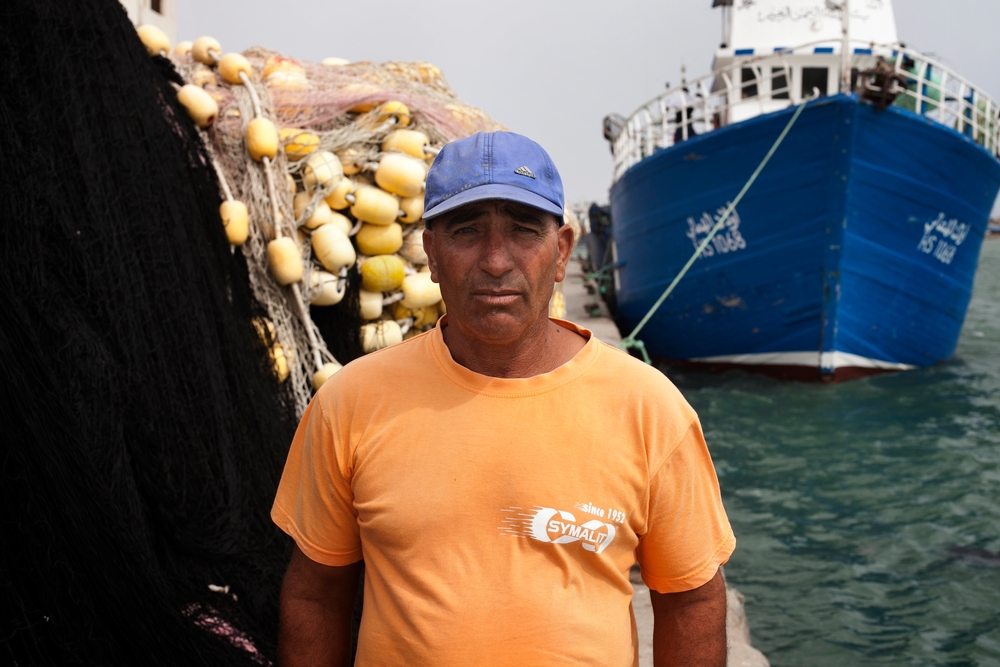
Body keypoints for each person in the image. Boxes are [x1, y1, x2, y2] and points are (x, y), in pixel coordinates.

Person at [271, 131, 736, 667]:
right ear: (432, 252)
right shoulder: (350, 402)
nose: (495, 260)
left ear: (561, 252)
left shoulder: (650, 408)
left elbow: (692, 599)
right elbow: (315, 595)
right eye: (466, 231)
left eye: (523, 231)